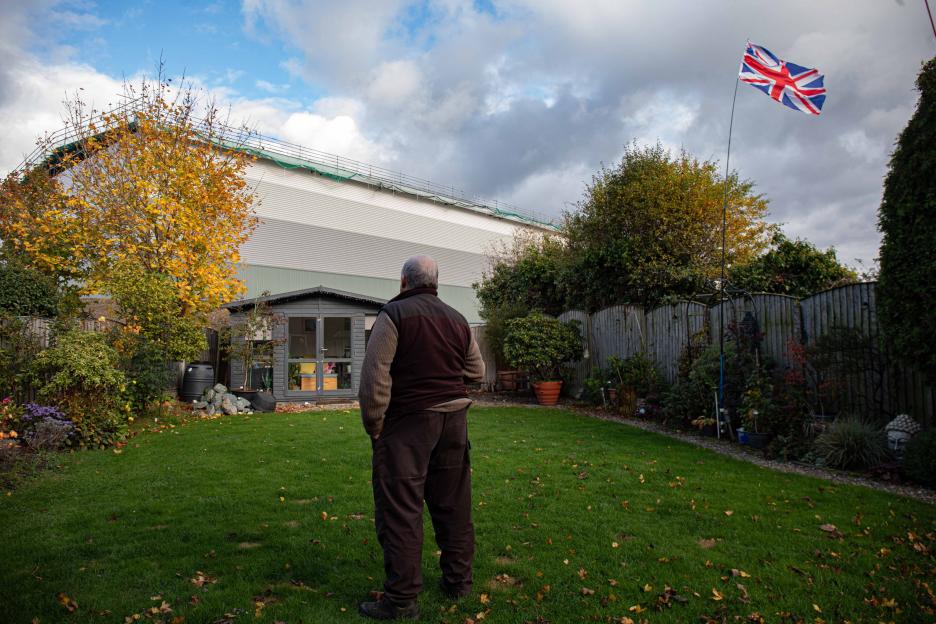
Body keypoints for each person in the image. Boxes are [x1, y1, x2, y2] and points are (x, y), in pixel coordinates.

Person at [357, 255, 485, 620]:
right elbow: (477, 370)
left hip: (408, 426)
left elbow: (374, 378)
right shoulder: (458, 319)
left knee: (401, 510)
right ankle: (458, 583)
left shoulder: (393, 315)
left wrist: (374, 426)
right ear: (436, 282)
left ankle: (401, 601)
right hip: (455, 423)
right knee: (454, 506)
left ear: (403, 282)